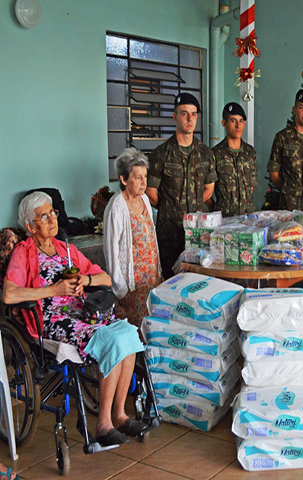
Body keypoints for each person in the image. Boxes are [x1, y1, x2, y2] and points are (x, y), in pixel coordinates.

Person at [3, 192, 146, 447]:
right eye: (43, 216)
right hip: (50, 319)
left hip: (81, 312)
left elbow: (105, 278)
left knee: (128, 333)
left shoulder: (66, 250)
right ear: (30, 226)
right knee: (109, 338)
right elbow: (9, 294)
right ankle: (103, 425)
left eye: (53, 213)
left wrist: (86, 280)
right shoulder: (23, 253)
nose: (51, 219)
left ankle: (120, 414)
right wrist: (53, 290)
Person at [146, 93, 216, 277]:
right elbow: (151, 192)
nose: (189, 118)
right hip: (169, 235)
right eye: (184, 114)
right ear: (175, 117)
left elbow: (209, 189)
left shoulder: (205, 153)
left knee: (198, 283)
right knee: (170, 284)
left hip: (197, 235)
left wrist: (191, 206)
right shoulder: (161, 154)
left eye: (193, 114)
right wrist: (171, 209)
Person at [103, 148, 162, 329]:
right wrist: (120, 289)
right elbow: (111, 251)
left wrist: (158, 272)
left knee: (153, 327)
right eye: (138, 177)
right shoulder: (117, 207)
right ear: (123, 179)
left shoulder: (144, 199)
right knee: (136, 331)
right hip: (131, 287)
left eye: (145, 176)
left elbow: (151, 236)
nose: (144, 182)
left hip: (150, 280)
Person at [211, 102, 258, 216]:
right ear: (224, 123)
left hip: (248, 219)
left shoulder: (250, 152)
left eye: (241, 121)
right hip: (225, 219)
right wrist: (218, 213)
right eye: (233, 121)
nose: (238, 126)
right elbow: (207, 192)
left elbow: (250, 187)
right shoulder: (215, 153)